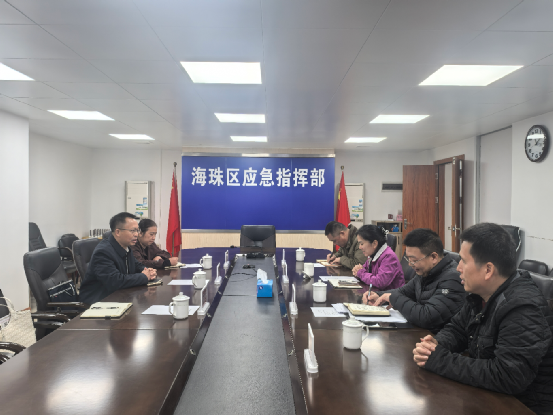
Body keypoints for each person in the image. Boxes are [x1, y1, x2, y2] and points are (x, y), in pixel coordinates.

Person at [413, 223, 553, 414]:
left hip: (522, 407)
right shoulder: (480, 295)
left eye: (463, 261)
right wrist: (436, 344)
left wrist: (439, 359)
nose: (458, 268)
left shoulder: (523, 308)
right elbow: (457, 329)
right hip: (490, 398)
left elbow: (508, 376)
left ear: (488, 270)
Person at [363, 228, 465, 333]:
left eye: (414, 260)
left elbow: (427, 317)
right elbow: (404, 291)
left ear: (433, 257)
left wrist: (393, 298)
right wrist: (378, 295)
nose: (410, 264)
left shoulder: (453, 278)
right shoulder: (426, 271)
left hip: (435, 337)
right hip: (421, 333)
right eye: (408, 259)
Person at [79, 212, 157, 305]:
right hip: (98, 302)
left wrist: (148, 271)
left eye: (137, 230)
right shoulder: (103, 252)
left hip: (119, 298)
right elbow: (115, 281)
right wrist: (144, 276)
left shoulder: (126, 247)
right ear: (118, 232)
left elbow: (136, 265)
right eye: (133, 231)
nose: (136, 234)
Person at [351, 225, 404, 291]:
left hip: (391, 296)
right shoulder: (373, 254)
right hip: (378, 293)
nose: (359, 247)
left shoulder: (389, 257)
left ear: (374, 244)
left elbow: (380, 282)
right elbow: (364, 270)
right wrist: (357, 270)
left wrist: (360, 273)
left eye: (361, 244)